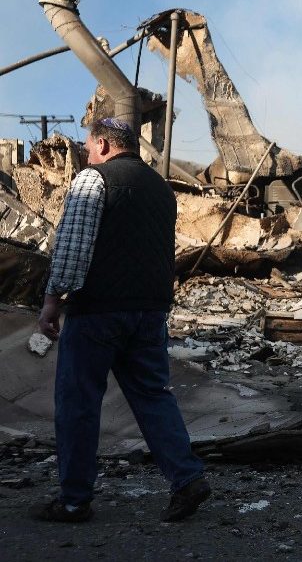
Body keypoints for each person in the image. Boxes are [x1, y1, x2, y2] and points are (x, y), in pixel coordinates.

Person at [35, 118, 210, 523]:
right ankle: (187, 479)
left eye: (87, 147)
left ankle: (74, 500)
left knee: (78, 402)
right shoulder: (161, 189)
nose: (85, 155)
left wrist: (51, 303)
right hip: (149, 311)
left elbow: (72, 249)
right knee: (153, 395)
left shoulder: (92, 180)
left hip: (97, 311)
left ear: (102, 144)